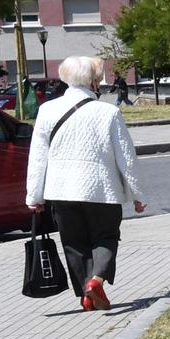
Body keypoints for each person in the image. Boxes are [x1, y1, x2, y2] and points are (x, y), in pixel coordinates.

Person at [25, 55, 146, 311]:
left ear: (64, 78)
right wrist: (137, 193)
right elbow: (126, 156)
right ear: (94, 81)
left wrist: (34, 197)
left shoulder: (47, 110)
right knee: (107, 236)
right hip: (102, 190)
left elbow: (38, 158)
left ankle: (86, 295)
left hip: (61, 190)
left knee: (73, 242)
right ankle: (96, 280)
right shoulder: (109, 112)